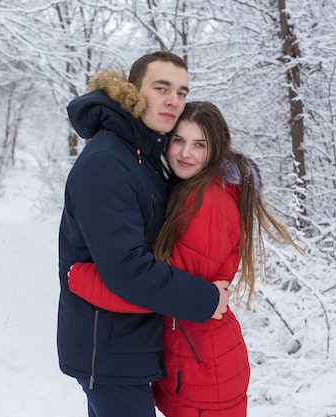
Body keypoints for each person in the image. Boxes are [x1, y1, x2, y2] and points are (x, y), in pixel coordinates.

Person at [68, 101, 303, 417]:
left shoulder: (208, 204)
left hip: (205, 371)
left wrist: (81, 278)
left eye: (199, 145)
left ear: (216, 148)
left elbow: (158, 291)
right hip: (195, 362)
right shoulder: (190, 188)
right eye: (178, 140)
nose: (185, 153)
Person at [57, 52, 231, 417]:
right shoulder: (108, 163)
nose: (174, 100)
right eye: (161, 87)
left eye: (182, 92)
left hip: (129, 346)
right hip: (108, 351)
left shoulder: (142, 154)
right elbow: (127, 269)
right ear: (132, 91)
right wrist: (206, 299)